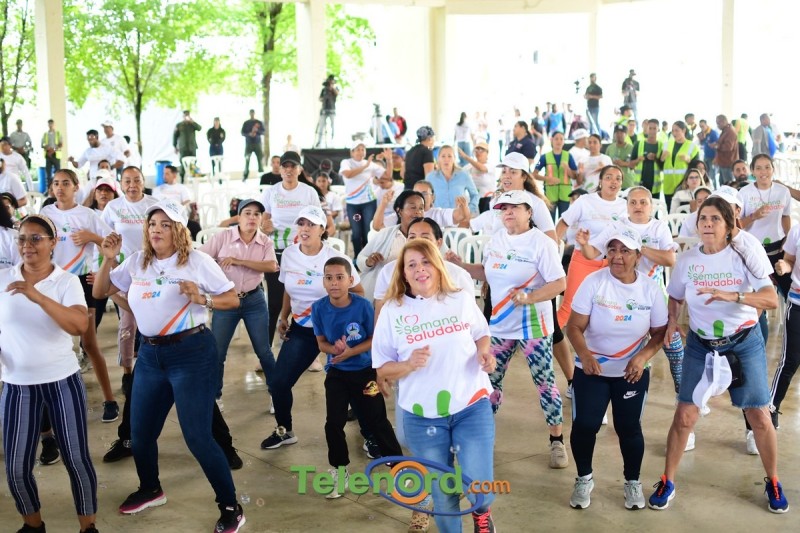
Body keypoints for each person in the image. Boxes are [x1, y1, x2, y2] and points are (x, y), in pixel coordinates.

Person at [94, 199, 246, 532]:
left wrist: (202, 298)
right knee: (140, 434)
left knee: (197, 437)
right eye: (152, 224)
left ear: (178, 229)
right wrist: (108, 259)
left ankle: (230, 506)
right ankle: (151, 489)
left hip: (192, 353)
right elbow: (101, 291)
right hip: (150, 355)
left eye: (165, 224)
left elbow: (232, 298)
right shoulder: (138, 261)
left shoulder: (196, 261)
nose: (157, 230)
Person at [648, 196, 789, 514]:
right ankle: (667, 481)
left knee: (759, 416)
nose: (708, 224)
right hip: (701, 345)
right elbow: (675, 296)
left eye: (715, 219)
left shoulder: (744, 252)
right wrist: (672, 321)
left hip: (744, 343)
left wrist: (734, 296)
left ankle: (773, 481)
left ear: (728, 225)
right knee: (684, 415)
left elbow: (770, 299)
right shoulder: (687, 260)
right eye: (703, 219)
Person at [372, 237, 497, 531]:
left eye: (426, 261)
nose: (420, 269)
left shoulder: (460, 299)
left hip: (471, 405)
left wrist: (484, 353)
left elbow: (481, 334)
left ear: (438, 266)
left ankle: (481, 513)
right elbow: (382, 368)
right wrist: (408, 364)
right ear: (403, 273)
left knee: (479, 486)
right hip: (421, 415)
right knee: (442, 493)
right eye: (411, 265)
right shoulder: (392, 311)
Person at [447, 190, 568, 468]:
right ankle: (482, 437)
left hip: (534, 327)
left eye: (514, 207)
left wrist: (530, 297)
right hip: (500, 325)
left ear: (529, 212)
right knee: (489, 381)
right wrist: (461, 266)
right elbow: (487, 272)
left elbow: (559, 283)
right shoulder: (497, 239)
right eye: (503, 208)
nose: (508, 212)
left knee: (544, 382)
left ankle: (557, 440)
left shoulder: (541, 243)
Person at [0, 214, 100, 533]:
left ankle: (88, 527)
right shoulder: (3, 279)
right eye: (22, 239)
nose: (27, 245)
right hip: (17, 386)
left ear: (53, 243)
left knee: (77, 460)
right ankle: (33, 526)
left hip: (62, 383)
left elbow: (79, 325)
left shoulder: (66, 281)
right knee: (16, 468)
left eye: (36, 238)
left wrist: (38, 296)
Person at [565, 227, 667, 510]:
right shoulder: (593, 282)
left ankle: (632, 482)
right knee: (585, 425)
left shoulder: (649, 288)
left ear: (638, 256)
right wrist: (585, 355)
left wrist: (642, 357)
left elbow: (660, 332)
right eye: (612, 250)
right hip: (592, 370)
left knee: (628, 428)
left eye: (625, 251)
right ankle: (584, 478)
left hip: (631, 372)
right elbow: (573, 326)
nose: (617, 256)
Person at [262, 205, 362, 449]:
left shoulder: (335, 258)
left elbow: (359, 292)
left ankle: (370, 435)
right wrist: (283, 317)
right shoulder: (289, 254)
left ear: (322, 229)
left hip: (335, 330)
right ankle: (284, 431)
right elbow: (288, 289)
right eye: (301, 223)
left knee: (352, 384)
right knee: (278, 382)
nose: (305, 229)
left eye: (311, 224)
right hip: (303, 330)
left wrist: (341, 318)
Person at [312, 257, 402, 497]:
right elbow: (321, 343)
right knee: (333, 423)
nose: (334, 283)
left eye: (339, 277)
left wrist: (351, 351)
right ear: (323, 282)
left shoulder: (362, 306)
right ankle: (340, 470)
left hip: (364, 372)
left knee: (377, 421)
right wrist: (335, 350)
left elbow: (374, 340)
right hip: (337, 373)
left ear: (350, 280)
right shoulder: (318, 308)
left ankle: (399, 469)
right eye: (329, 278)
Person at [39, 169, 119, 422]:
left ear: (76, 187)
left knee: (89, 343)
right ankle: (47, 404)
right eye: (56, 183)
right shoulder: (46, 213)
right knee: (48, 342)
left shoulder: (87, 215)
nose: (60, 188)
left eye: (65, 183)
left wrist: (91, 237)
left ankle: (110, 400)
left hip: (81, 283)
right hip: (52, 283)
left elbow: (113, 244)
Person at [200, 198, 278, 409]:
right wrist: (214, 273)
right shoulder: (223, 236)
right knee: (218, 352)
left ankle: (277, 395)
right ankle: (215, 397)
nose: (252, 217)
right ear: (239, 217)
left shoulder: (265, 241)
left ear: (261, 219)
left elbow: (272, 266)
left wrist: (238, 261)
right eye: (247, 213)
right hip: (226, 299)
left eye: (256, 214)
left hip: (254, 299)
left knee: (264, 351)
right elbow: (199, 258)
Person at [259, 151, 322, 346]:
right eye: (285, 166)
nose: (288, 170)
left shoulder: (309, 192)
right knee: (274, 302)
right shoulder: (271, 192)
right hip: (276, 251)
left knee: (305, 297)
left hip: (303, 251)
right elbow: (264, 221)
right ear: (279, 169)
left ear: (299, 169)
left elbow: (318, 220)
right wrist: (264, 226)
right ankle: (266, 350)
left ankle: (309, 347)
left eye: (292, 166)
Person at [556, 165, 627, 327]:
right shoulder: (585, 201)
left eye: (618, 179)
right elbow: (563, 223)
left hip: (612, 264)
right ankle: (546, 339)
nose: (613, 182)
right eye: (608, 177)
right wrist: (553, 248)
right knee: (568, 308)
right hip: (583, 261)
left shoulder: (625, 206)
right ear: (600, 181)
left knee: (608, 310)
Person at [738, 154, 792, 298]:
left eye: (767, 167)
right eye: (759, 168)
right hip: (752, 249)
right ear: (752, 171)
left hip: (777, 248)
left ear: (773, 169)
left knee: (789, 288)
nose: (763, 172)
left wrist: (788, 237)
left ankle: (790, 310)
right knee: (756, 294)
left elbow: (785, 216)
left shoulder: (783, 191)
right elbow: (736, 225)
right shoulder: (744, 193)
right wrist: (754, 216)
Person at [356, 190, 426, 300]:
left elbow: (443, 260)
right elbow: (360, 258)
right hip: (383, 293)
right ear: (399, 211)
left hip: (415, 295)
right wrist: (368, 261)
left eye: (421, 208)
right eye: (413, 207)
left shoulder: (429, 235)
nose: (418, 212)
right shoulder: (385, 233)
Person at [339, 143, 392, 258]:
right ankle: (358, 258)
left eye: (363, 149)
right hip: (353, 205)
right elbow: (348, 174)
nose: (361, 151)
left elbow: (387, 176)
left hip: (368, 203)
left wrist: (389, 160)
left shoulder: (371, 165)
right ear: (352, 152)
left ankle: (368, 258)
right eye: (358, 149)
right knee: (356, 233)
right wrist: (365, 166)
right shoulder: (346, 162)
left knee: (368, 231)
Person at [533, 131, 578, 220]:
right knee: (550, 220)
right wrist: (548, 178)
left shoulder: (569, 156)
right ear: (552, 140)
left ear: (564, 141)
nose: (559, 141)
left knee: (564, 221)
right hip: (550, 195)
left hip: (565, 194)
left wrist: (567, 169)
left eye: (561, 139)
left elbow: (575, 176)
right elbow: (534, 174)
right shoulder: (544, 157)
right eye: (556, 139)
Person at [69, 130, 125, 198]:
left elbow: (122, 160)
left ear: (97, 137)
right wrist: (72, 161)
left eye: (92, 139)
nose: (90, 142)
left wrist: (109, 168)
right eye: (88, 140)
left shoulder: (108, 148)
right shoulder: (88, 152)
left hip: (109, 180)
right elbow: (78, 165)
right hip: (94, 181)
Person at [424, 145, 479, 214]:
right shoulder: (430, 177)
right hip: (437, 218)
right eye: (443, 156)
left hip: (459, 217)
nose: (446, 159)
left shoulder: (464, 175)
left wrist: (469, 210)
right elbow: (424, 197)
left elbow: (475, 195)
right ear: (438, 158)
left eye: (449, 156)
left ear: (454, 158)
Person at [660, 121, 700, 209]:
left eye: (677, 130)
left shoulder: (692, 146)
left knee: (684, 211)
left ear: (684, 130)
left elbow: (698, 167)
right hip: (668, 185)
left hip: (684, 185)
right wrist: (662, 158)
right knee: (670, 211)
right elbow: (660, 164)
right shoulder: (666, 144)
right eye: (673, 130)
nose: (674, 133)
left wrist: (688, 160)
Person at [459, 141, 495, 212]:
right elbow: (459, 173)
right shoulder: (470, 166)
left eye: (481, 150)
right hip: (476, 199)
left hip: (488, 198)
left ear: (487, 153)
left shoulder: (490, 166)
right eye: (476, 149)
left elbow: (481, 168)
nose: (478, 152)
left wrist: (466, 157)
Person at [631, 119, 664, 191]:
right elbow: (630, 165)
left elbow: (663, 167)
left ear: (658, 129)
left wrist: (655, 158)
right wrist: (638, 160)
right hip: (640, 184)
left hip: (655, 186)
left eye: (654, 128)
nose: (652, 131)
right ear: (646, 129)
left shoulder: (662, 145)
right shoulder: (638, 144)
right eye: (650, 128)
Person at [173, 110, 201, 181]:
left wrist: (192, 122)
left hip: (192, 147)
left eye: (187, 115)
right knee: (183, 164)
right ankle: (182, 179)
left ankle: (194, 180)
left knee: (193, 163)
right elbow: (175, 136)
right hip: (183, 148)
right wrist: (175, 146)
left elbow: (199, 128)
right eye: (185, 115)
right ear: (183, 116)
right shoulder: (179, 125)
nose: (186, 116)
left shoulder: (192, 124)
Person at [241, 109, 265, 180]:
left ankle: (262, 177)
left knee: (260, 160)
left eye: (253, 113)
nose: (252, 114)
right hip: (249, 144)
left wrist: (257, 131)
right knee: (247, 160)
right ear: (249, 114)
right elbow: (242, 133)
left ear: (254, 113)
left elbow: (263, 132)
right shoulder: (246, 123)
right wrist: (249, 134)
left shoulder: (259, 122)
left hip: (257, 144)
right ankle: (245, 176)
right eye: (251, 113)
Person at [315, 75, 338, 147]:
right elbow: (320, 98)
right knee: (321, 126)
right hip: (324, 110)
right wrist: (324, 98)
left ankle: (333, 141)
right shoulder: (324, 90)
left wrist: (332, 87)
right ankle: (319, 142)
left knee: (332, 126)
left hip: (332, 110)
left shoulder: (335, 88)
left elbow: (337, 93)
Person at [696, 119, 719, 186]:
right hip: (706, 156)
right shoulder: (704, 133)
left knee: (713, 174)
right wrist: (701, 139)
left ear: (706, 125)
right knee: (706, 173)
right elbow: (703, 144)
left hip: (712, 157)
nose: (701, 128)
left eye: (702, 126)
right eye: (700, 126)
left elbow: (717, 146)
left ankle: (715, 188)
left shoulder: (713, 133)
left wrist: (716, 158)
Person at [41, 119, 63, 184]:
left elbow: (61, 144)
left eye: (51, 124)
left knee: (58, 173)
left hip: (56, 155)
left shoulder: (58, 134)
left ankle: (58, 186)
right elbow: (42, 145)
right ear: (48, 125)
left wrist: (53, 150)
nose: (50, 125)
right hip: (48, 155)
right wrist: (48, 149)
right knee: (48, 174)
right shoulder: (45, 134)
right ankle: (49, 188)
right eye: (49, 124)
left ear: (54, 124)